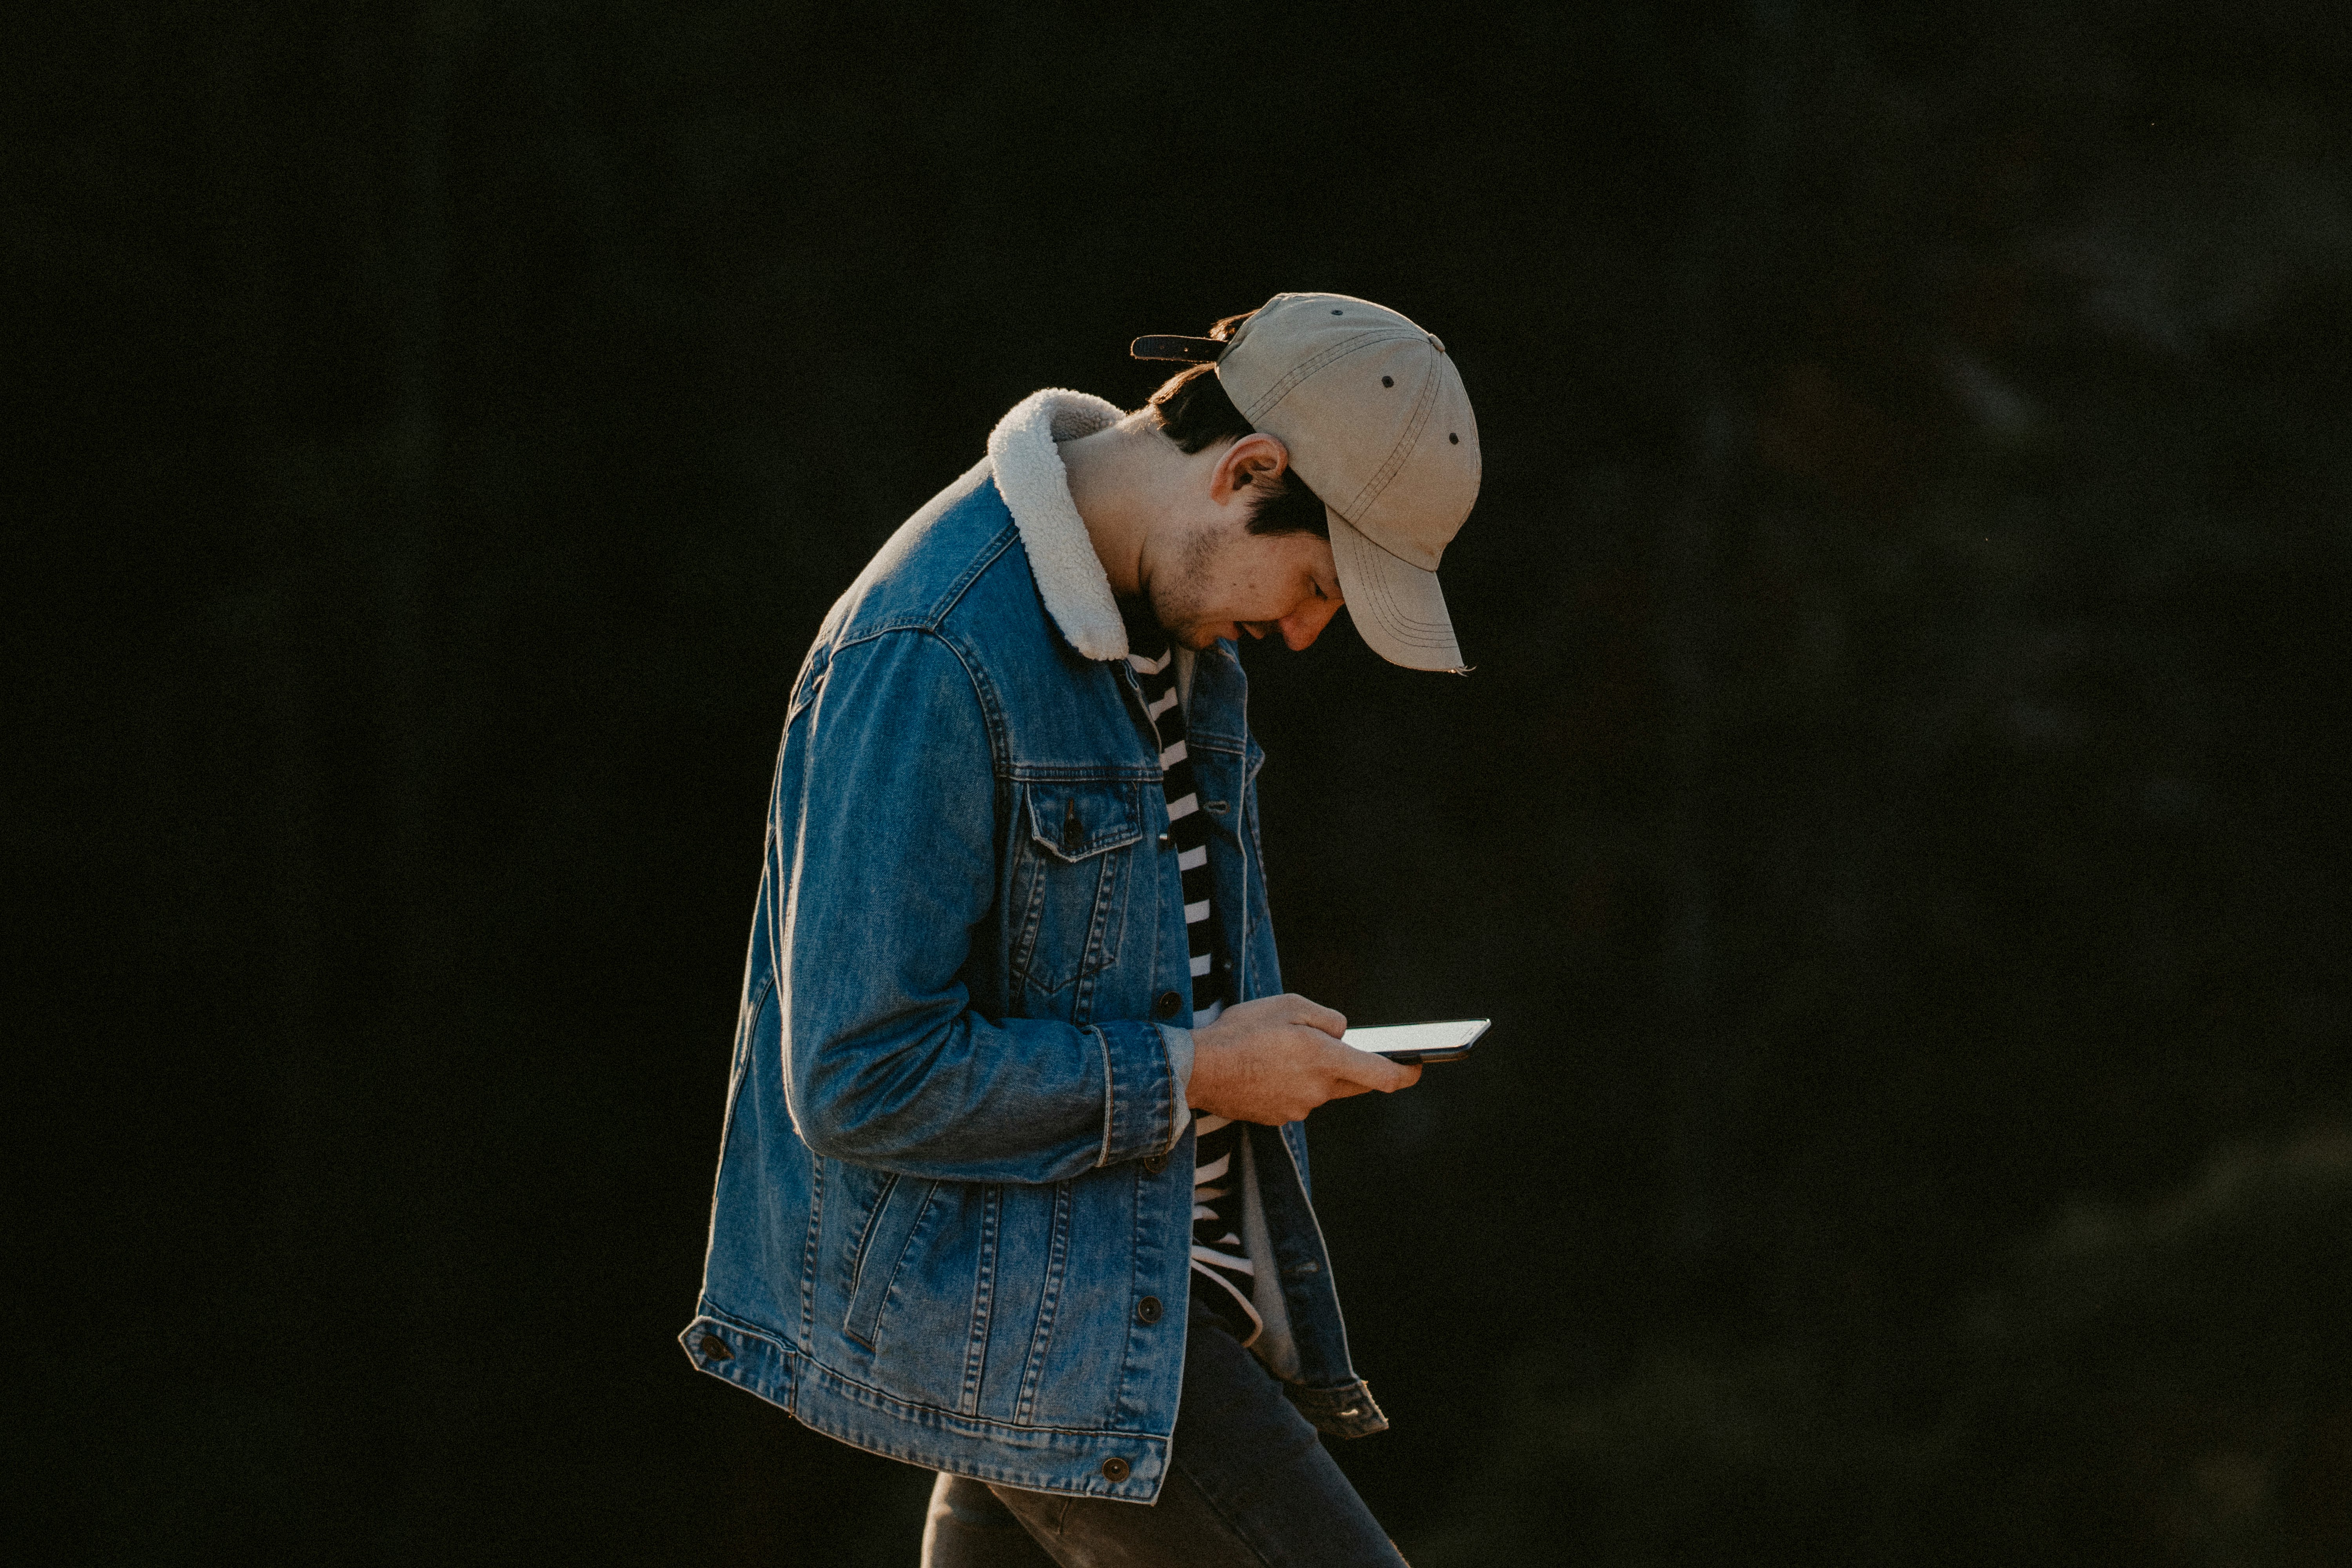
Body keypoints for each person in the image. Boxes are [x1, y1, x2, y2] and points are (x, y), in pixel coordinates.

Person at [679, 291, 1483, 1566]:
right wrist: (1205, 1069)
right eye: (1320, 583)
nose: (1306, 631)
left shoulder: (1173, 632)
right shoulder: (933, 646)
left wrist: (1238, 1057)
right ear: (1249, 471)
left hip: (1124, 1317)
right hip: (1079, 1346)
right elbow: (854, 1076)